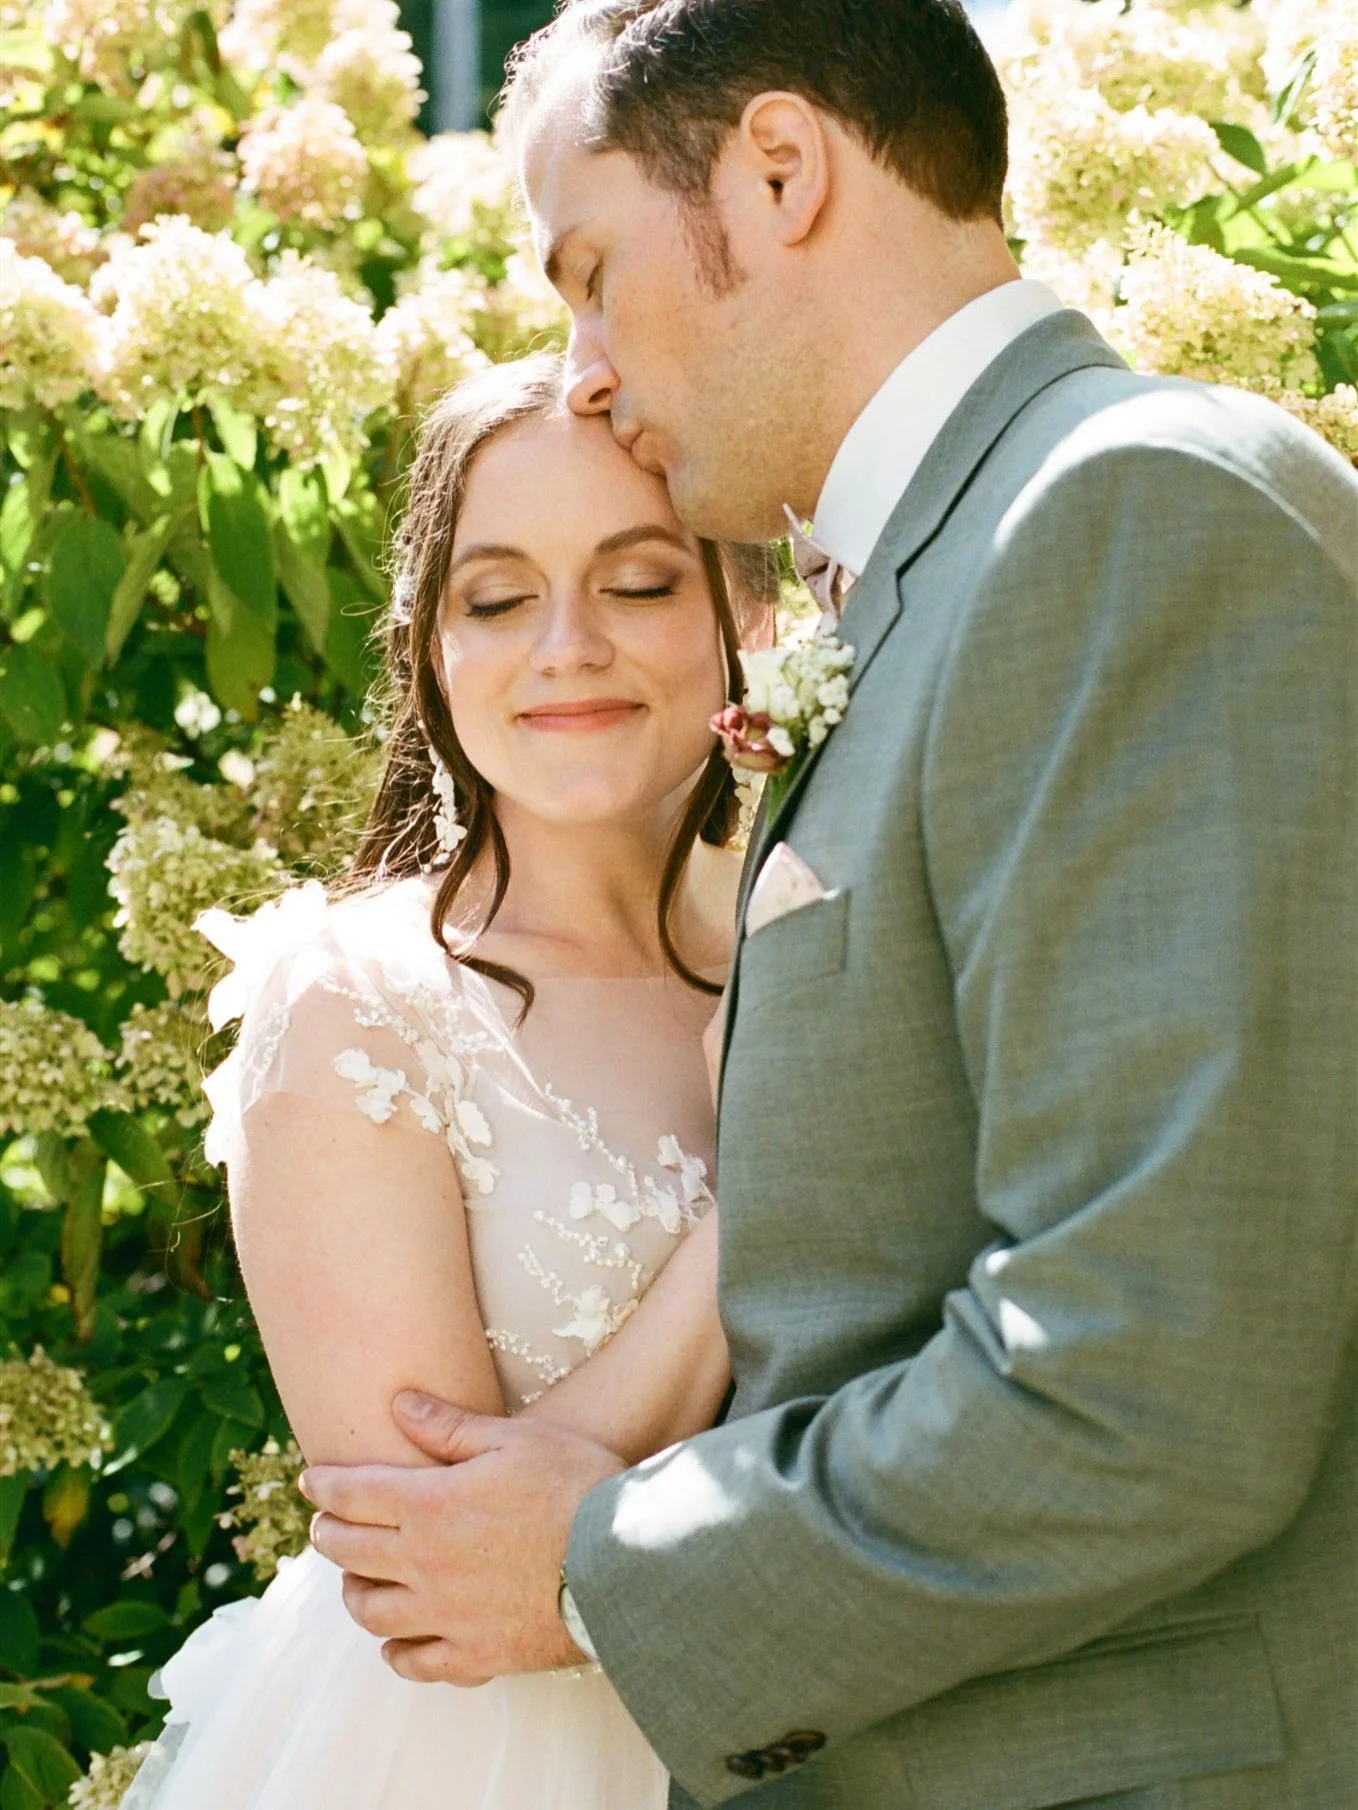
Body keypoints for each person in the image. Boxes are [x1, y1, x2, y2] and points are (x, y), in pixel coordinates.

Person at [302, 3, 1358, 1807]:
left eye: (591, 273)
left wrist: (598, 1555)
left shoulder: (1123, 518)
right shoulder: (935, 579)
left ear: (780, 172)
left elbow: (1146, 1385)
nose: (578, 371)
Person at [119, 351, 778, 1810]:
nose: (566, 645)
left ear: (742, 611)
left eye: (640, 581)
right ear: (430, 649)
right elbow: (452, 1570)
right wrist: (774, 1178)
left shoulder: (819, 930)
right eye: (497, 597)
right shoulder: (361, 1001)